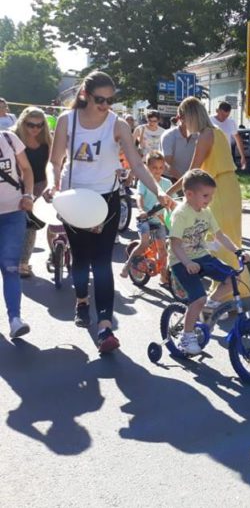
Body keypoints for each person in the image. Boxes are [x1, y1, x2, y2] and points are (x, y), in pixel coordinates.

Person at [46, 71, 172, 354]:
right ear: (85, 96)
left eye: (110, 100)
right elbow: (54, 161)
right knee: (81, 258)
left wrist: (159, 190)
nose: (105, 106)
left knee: (102, 261)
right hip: (74, 199)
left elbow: (138, 165)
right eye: (100, 100)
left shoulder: (117, 124)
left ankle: (105, 327)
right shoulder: (68, 121)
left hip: (106, 199)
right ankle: (81, 301)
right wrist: (54, 184)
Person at [168, 97, 247, 297]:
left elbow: (191, 172)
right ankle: (238, 286)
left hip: (216, 189)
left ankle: (223, 295)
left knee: (216, 238)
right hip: (231, 186)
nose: (182, 123)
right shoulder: (218, 132)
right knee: (231, 236)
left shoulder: (205, 135)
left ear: (190, 116)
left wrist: (168, 192)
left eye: (182, 118)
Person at [168, 170, 250, 355]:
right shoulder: (181, 214)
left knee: (232, 278)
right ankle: (186, 337)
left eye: (211, 195)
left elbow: (219, 235)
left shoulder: (206, 212)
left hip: (201, 256)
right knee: (197, 297)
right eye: (206, 195)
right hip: (181, 261)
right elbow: (175, 244)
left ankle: (209, 306)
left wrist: (238, 250)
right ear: (189, 195)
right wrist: (187, 262)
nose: (210, 199)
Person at [0, 125, 34, 338]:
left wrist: (28, 195)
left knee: (10, 265)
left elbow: (27, 169)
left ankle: (15, 319)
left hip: (14, 213)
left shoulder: (9, 139)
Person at [12, 107, 51, 278]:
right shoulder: (13, 138)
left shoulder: (47, 140)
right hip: (16, 186)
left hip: (40, 185)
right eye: (31, 125)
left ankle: (23, 263)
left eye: (40, 125)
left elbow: (53, 163)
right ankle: (17, 260)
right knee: (14, 224)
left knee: (31, 225)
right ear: (22, 123)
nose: (35, 129)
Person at [120, 151, 172, 280]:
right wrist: (141, 210)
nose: (158, 170)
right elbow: (139, 196)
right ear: (148, 168)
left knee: (163, 250)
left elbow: (172, 199)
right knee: (144, 243)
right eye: (154, 167)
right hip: (145, 218)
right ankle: (127, 265)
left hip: (159, 220)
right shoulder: (143, 182)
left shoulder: (167, 183)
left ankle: (164, 277)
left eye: (161, 167)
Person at [210, 101, 246, 171]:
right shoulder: (209, 120)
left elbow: (238, 139)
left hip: (226, 157)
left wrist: (243, 156)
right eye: (222, 115)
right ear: (218, 111)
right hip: (211, 157)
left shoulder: (231, 122)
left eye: (227, 116)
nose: (224, 118)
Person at [161, 114, 198, 179]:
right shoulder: (168, 136)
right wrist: (184, 181)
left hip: (190, 179)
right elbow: (167, 164)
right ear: (179, 118)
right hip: (170, 179)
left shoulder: (199, 136)